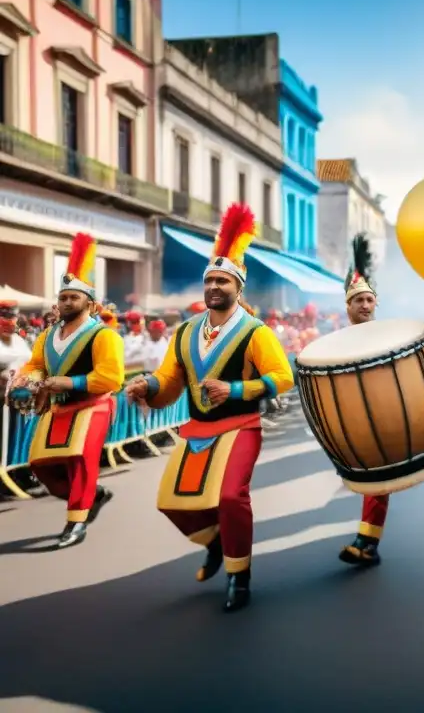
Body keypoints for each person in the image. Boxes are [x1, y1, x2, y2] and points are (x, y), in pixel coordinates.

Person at [124, 203, 294, 612]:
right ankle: (218, 541)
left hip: (241, 425)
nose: (214, 286)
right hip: (198, 429)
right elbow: (169, 380)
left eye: (223, 280)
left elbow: (283, 377)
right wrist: (147, 385)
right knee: (171, 501)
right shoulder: (184, 332)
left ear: (238, 287)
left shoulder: (256, 332)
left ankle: (239, 575)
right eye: (209, 280)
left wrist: (235, 390)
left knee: (232, 497)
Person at [8, 234, 124, 548]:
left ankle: (76, 521)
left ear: (91, 304)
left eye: (74, 297)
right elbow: (36, 365)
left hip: (92, 404)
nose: (67, 303)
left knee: (80, 460)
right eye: (63, 297)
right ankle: (93, 495)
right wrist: (27, 380)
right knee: (40, 464)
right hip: (56, 407)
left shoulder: (104, 336)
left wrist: (71, 382)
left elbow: (111, 377)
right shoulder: (46, 336)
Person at [336, 233, 389, 567]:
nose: (365, 305)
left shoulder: (389, 337)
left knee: (377, 480)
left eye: (369, 300)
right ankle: (368, 542)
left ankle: (368, 543)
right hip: (352, 420)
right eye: (359, 301)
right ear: (348, 306)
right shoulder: (336, 342)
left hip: (382, 417)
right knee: (366, 479)